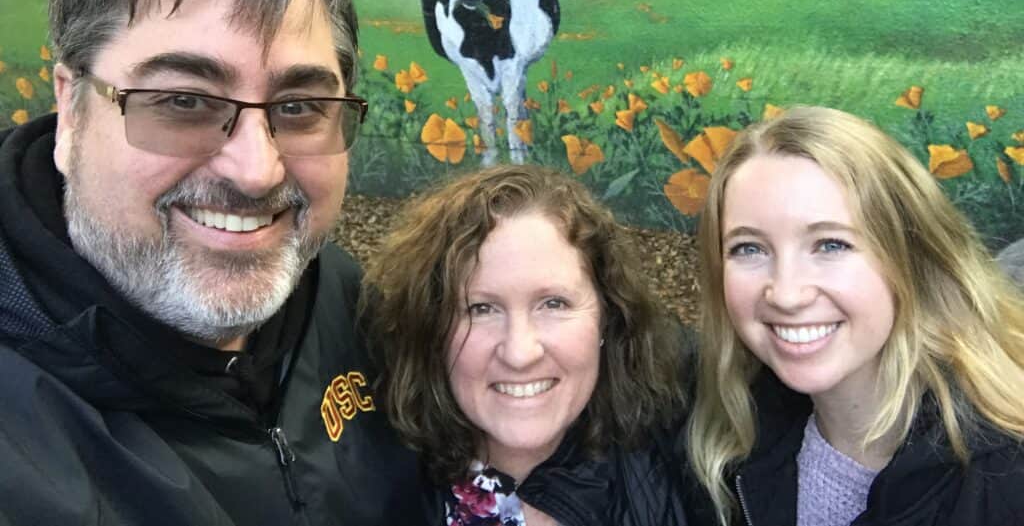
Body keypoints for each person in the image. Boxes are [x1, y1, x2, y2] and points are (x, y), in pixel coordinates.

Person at [0, 0, 427, 524]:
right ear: (70, 109)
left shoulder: (336, 295)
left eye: (300, 107)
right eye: (183, 102)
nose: (256, 173)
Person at [684, 106, 1024, 526]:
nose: (787, 294)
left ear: (910, 257)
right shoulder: (727, 430)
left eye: (831, 244)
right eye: (749, 248)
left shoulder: (1004, 481)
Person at [361, 164, 690, 526]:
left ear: (607, 318)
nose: (520, 353)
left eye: (554, 304)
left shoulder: (693, 477)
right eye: (481, 309)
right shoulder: (363, 489)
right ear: (431, 327)